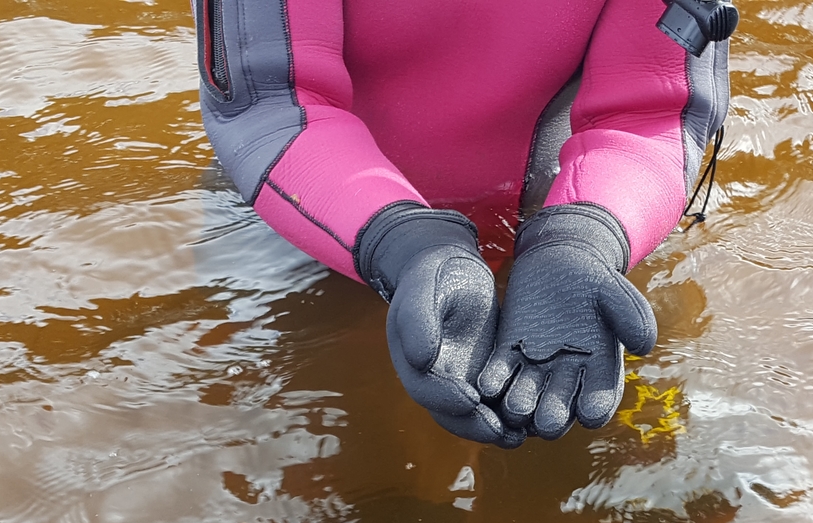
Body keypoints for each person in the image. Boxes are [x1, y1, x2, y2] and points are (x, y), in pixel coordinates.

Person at [193, 0, 731, 448]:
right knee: (348, 481)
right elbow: (272, 104)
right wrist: (402, 241)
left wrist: (584, 237)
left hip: (569, 220)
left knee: (610, 489)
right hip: (307, 209)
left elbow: (650, 110)